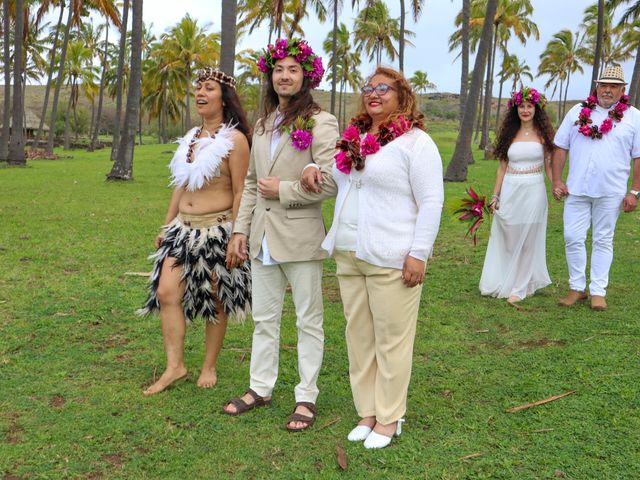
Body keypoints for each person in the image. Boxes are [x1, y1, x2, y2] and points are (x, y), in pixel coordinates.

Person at [303, 66, 444, 449]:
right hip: (350, 253)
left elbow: (431, 201)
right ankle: (367, 411)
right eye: (368, 87)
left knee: (392, 340)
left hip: (392, 257)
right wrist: (313, 168)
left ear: (402, 95)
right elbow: (340, 182)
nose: (374, 93)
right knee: (359, 337)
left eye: (384, 88)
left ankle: (390, 416)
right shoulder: (357, 139)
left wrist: (419, 254)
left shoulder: (416, 143)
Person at [222, 38, 338, 432]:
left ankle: (306, 396)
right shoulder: (262, 124)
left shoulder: (321, 122)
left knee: (308, 320)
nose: (284, 76)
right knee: (264, 318)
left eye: (292, 69)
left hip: (301, 237)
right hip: (261, 238)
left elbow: (331, 181)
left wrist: (285, 192)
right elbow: (253, 183)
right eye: (278, 70)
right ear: (270, 77)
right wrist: (240, 229)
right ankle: (260, 387)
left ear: (306, 75)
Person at [139, 68, 252, 395]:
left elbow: (242, 190)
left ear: (224, 98)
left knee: (216, 299)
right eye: (198, 88)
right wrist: (167, 222)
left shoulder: (235, 140)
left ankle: (208, 365)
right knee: (166, 292)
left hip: (217, 230)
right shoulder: (190, 138)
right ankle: (175, 366)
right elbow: (181, 184)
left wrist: (236, 235)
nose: (200, 93)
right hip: (182, 231)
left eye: (209, 88)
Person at [552, 65, 640, 311]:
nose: (608, 90)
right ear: (597, 87)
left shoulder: (634, 116)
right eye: (603, 85)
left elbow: (638, 157)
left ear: (623, 90)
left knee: (603, 240)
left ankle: (598, 291)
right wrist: (557, 181)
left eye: (613, 86)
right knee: (572, 237)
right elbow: (560, 146)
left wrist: (634, 191)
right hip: (576, 189)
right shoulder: (578, 112)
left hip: (611, 191)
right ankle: (576, 288)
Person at [479, 87, 554, 304]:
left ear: (536, 109)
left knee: (529, 239)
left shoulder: (544, 135)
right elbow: (501, 168)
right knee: (511, 237)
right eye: (522, 106)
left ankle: (520, 288)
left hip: (534, 190)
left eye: (530, 106)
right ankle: (518, 279)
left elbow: (549, 166)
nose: (525, 110)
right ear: (516, 109)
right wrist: (495, 196)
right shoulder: (509, 134)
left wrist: (556, 185)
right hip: (511, 189)